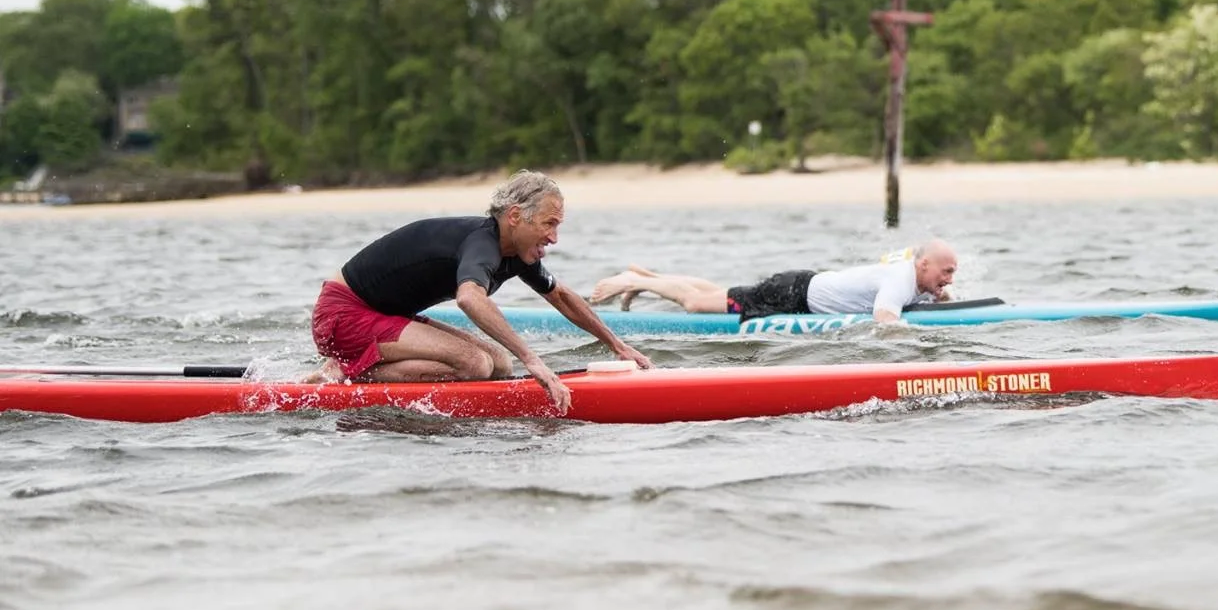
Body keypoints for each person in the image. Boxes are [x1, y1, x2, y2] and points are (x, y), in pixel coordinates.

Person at [311, 170, 651, 410]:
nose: (554, 237)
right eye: (549, 223)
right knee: (475, 363)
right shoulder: (481, 244)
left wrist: (619, 347)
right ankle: (346, 372)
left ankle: (354, 366)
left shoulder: (516, 251)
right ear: (516, 216)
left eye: (557, 225)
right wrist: (533, 361)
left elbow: (560, 296)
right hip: (343, 315)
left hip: (383, 315)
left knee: (499, 364)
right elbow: (469, 296)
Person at [589, 240, 959, 325]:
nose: (948, 279)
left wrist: (943, 296)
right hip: (791, 296)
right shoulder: (900, 276)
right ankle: (635, 281)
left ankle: (649, 278)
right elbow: (885, 321)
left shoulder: (916, 277)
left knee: (719, 291)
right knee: (697, 305)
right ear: (922, 264)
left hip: (799, 288)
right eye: (945, 272)